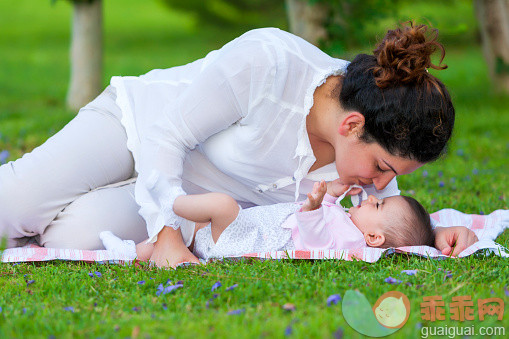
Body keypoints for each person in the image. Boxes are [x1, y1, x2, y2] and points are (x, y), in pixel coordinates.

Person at [0, 22, 478, 268]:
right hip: (140, 130)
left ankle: (51, 215)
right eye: (381, 167)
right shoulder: (270, 62)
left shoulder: (361, 162)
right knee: (13, 204)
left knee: (68, 239)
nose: (379, 185)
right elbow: (167, 134)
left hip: (189, 195)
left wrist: (430, 238)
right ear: (352, 125)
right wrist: (165, 234)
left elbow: (383, 221)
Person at [100, 180, 435, 261]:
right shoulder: (349, 221)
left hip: (245, 237)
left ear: (374, 239)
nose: (370, 198)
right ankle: (131, 252)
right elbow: (328, 219)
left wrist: (317, 205)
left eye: (377, 206)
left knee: (222, 205)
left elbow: (318, 239)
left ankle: (168, 200)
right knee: (192, 232)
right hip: (247, 228)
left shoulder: (350, 242)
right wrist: (332, 193)